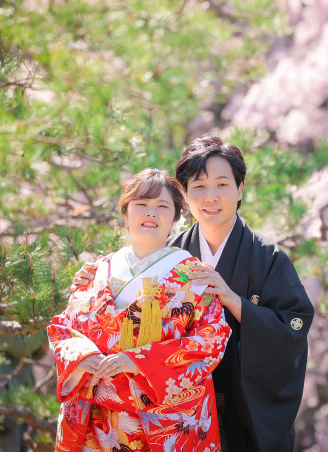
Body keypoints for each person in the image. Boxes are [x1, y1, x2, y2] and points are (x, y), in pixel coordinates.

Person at [72, 135, 314, 452]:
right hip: (180, 419)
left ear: (240, 189)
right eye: (198, 186)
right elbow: (131, 325)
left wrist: (234, 301)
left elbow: (293, 327)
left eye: (222, 185)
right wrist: (95, 284)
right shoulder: (170, 256)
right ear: (184, 194)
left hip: (246, 420)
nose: (210, 196)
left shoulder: (266, 257)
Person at [50, 168, 230, 452]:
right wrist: (81, 356)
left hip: (163, 419)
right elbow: (64, 326)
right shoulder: (97, 271)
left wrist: (141, 361)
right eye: (141, 204)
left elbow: (213, 338)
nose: (151, 213)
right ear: (126, 213)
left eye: (162, 206)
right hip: (98, 422)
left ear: (175, 217)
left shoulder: (193, 275)